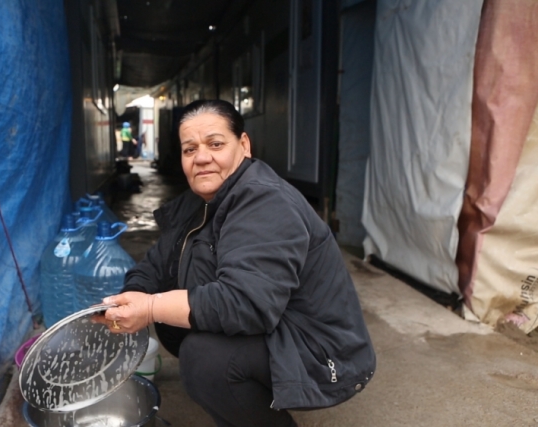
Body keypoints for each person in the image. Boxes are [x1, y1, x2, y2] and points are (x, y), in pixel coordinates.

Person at [98, 99, 376, 427]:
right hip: (275, 326)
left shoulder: (265, 200)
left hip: (321, 350)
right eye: (190, 150)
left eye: (215, 144)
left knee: (205, 359)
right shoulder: (199, 202)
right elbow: (156, 264)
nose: (202, 158)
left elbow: (246, 303)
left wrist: (151, 308)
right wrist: (130, 297)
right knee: (186, 332)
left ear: (243, 145)